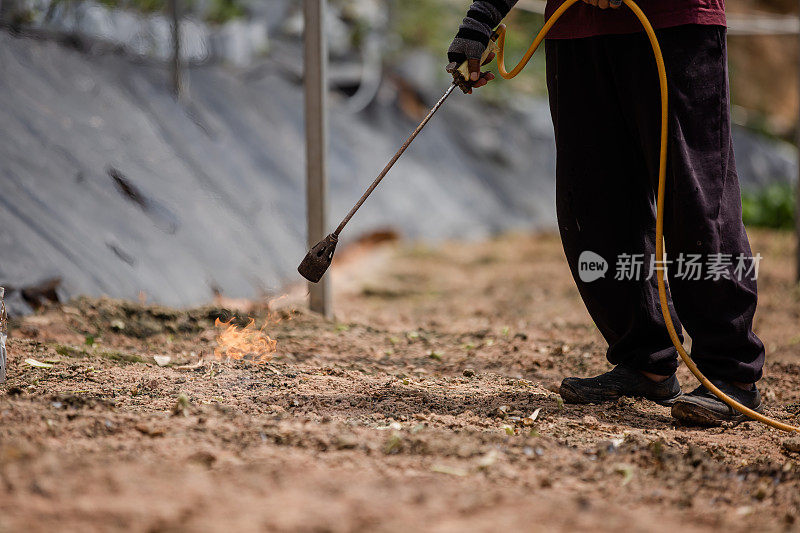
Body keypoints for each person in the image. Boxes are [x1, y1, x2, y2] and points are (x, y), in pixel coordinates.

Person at [447, 0, 765, 425]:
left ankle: (730, 373)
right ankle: (645, 362)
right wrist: (482, 16)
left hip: (673, 22)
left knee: (695, 200)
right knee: (594, 205)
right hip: (577, 32)